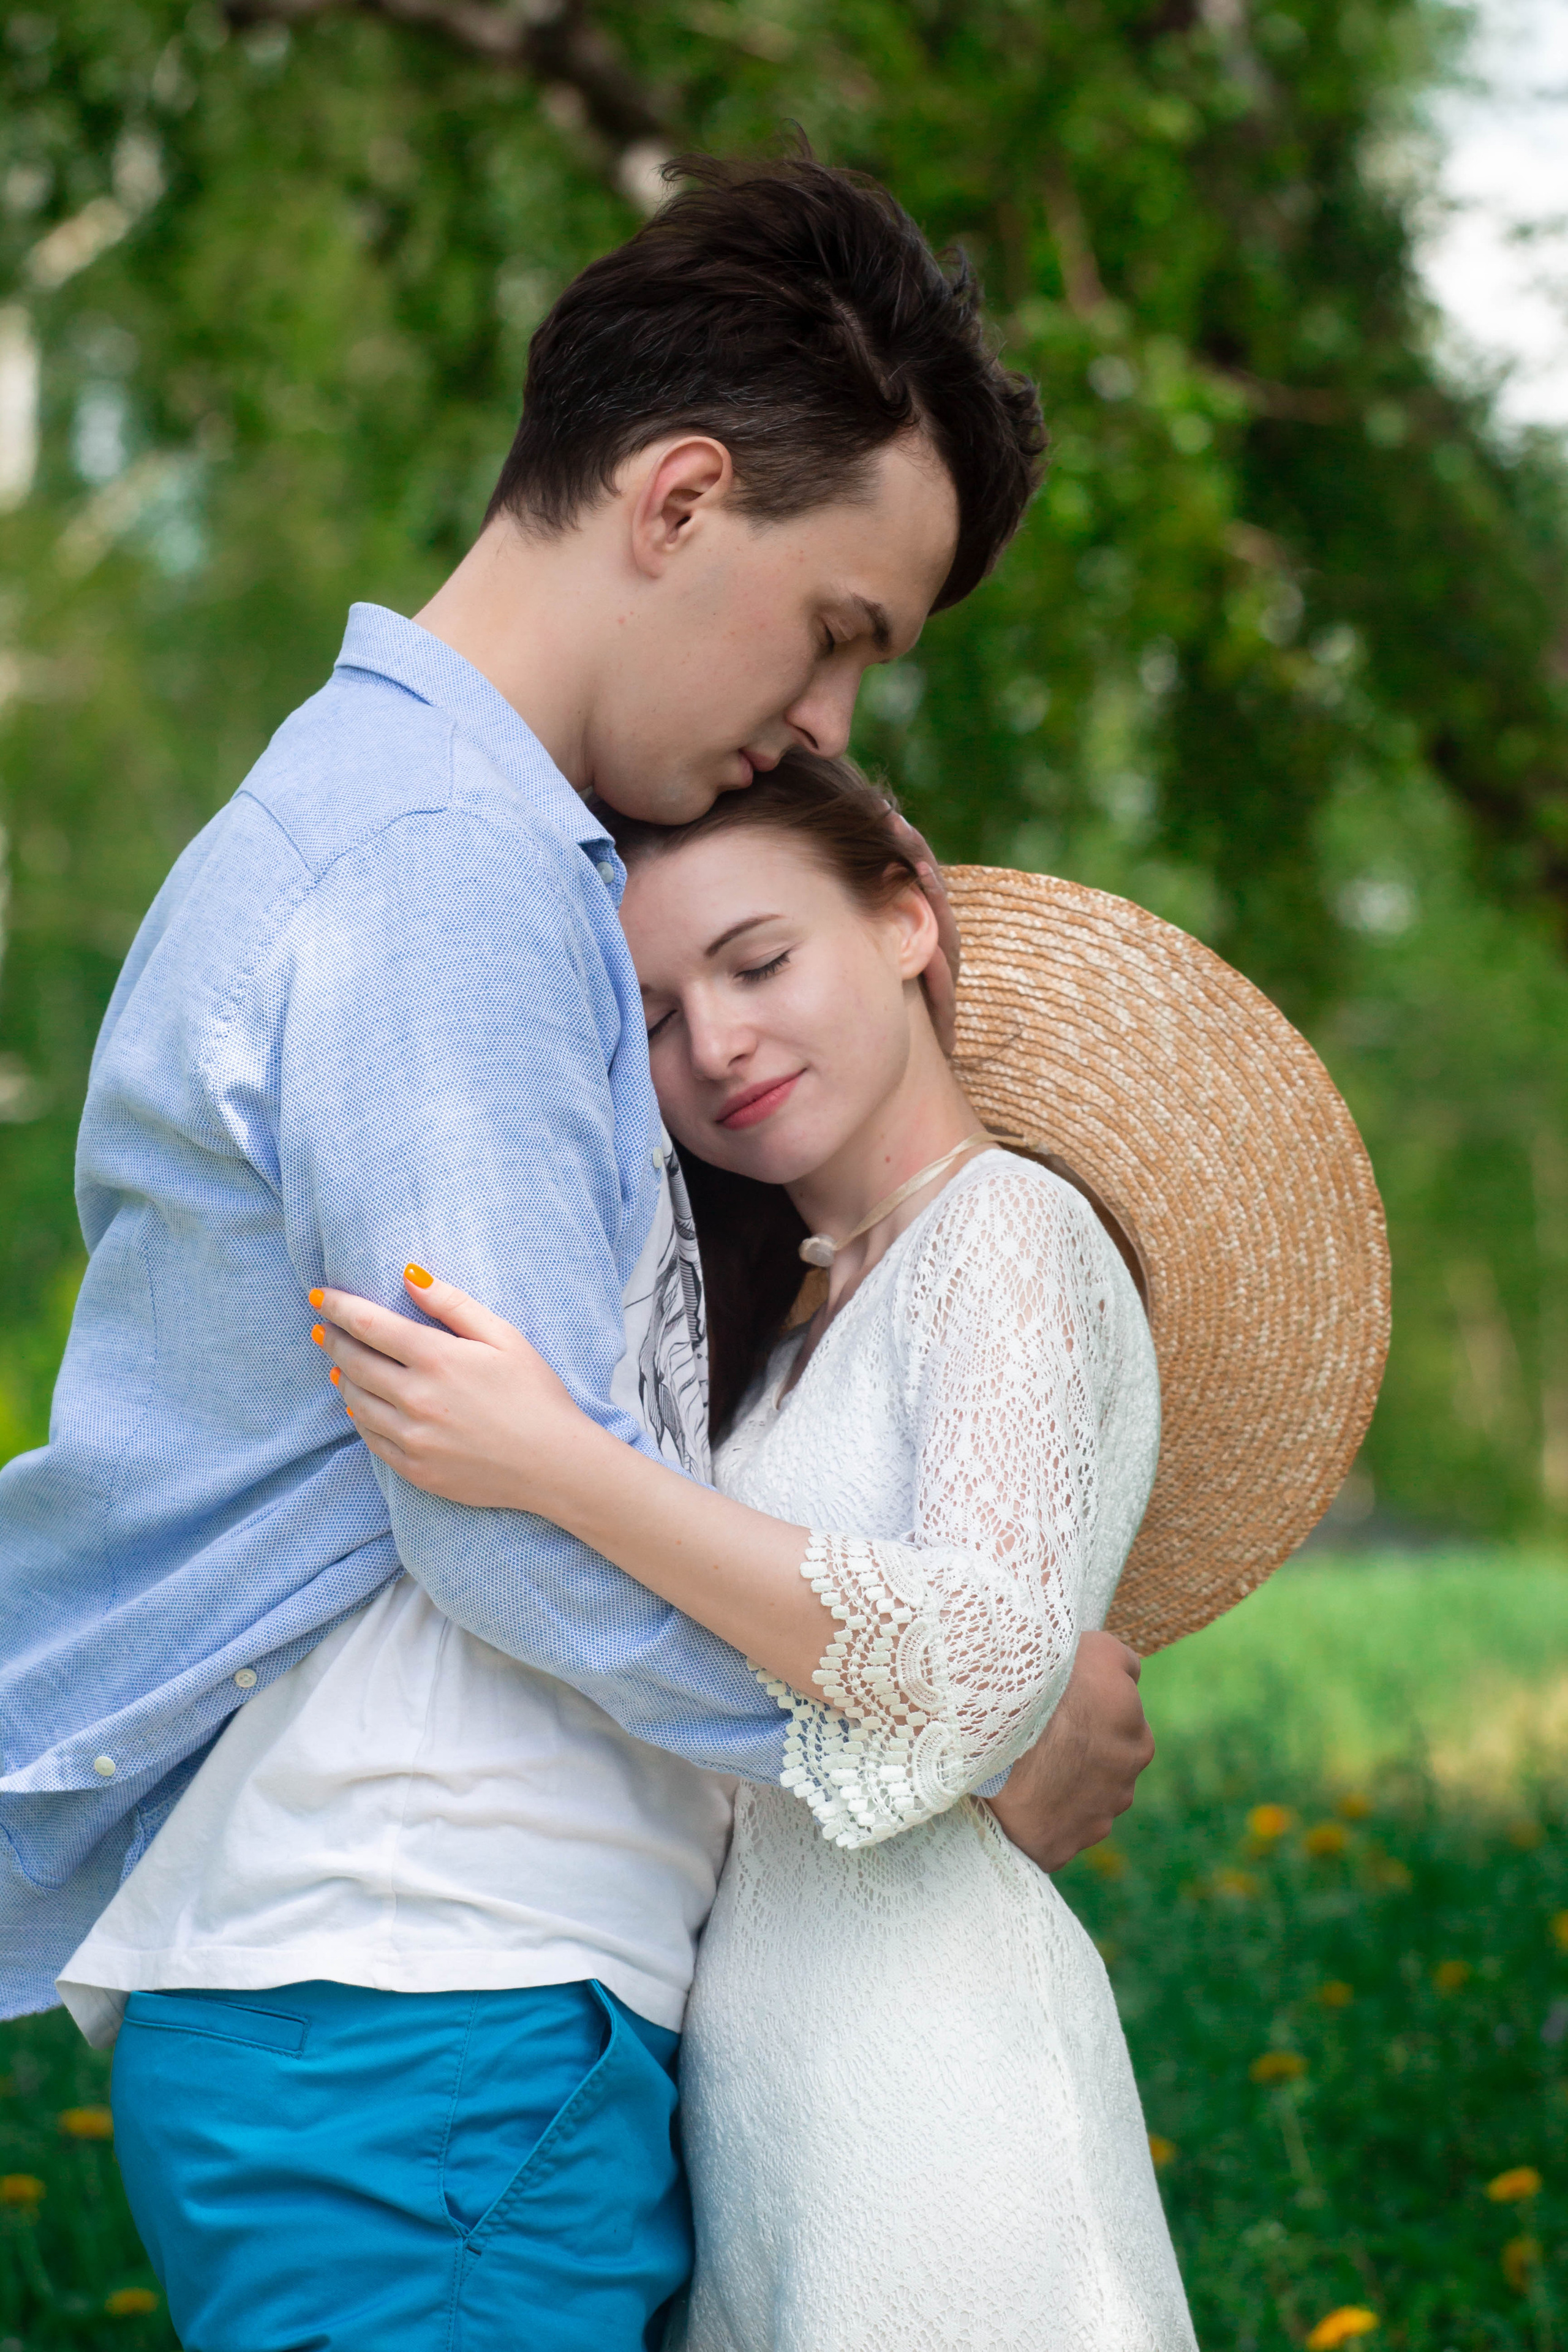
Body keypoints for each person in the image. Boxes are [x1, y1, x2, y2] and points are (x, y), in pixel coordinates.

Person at [0, 153, 1152, 2351]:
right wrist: (949, 1733)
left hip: (417, 2014)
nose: (827, 723)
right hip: (429, 2000)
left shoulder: (412, 826)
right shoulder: (450, 864)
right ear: (682, 495)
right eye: (839, 630)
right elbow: (499, 1518)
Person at [303, 751, 1199, 2350]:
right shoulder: (769, 1333)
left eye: (758, 961)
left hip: (942, 2086)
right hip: (764, 2111)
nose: (713, 1044)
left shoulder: (1011, 1229)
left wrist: (559, 1466)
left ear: (907, 923)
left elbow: (979, 1660)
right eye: (653, 1013)